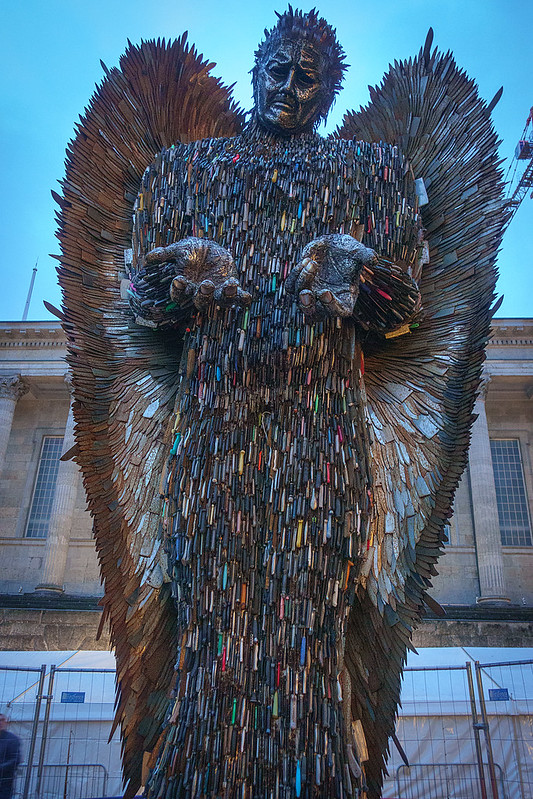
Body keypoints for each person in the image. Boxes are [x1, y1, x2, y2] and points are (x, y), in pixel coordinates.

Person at [0, 715, 21, 799]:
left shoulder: (12, 739)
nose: (0, 723)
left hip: (5, 781)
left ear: (6, 722)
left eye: (2, 720)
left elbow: (16, 759)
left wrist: (1, 767)